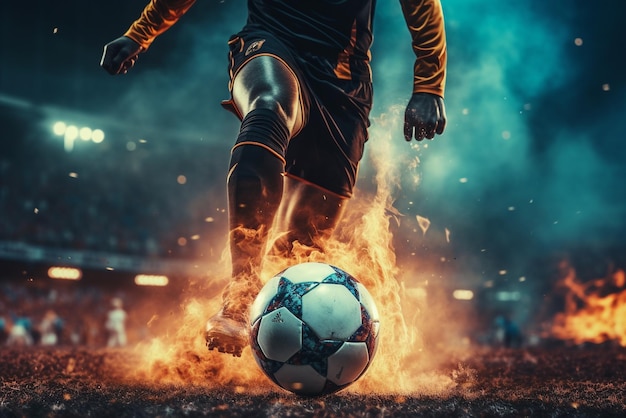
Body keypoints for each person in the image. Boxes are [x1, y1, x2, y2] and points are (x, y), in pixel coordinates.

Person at [101, 0, 447, 357]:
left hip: (343, 86)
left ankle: (274, 344)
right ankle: (241, 293)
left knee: (303, 244)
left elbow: (422, 6)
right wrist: (138, 34)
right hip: (270, 43)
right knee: (269, 106)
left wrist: (429, 86)